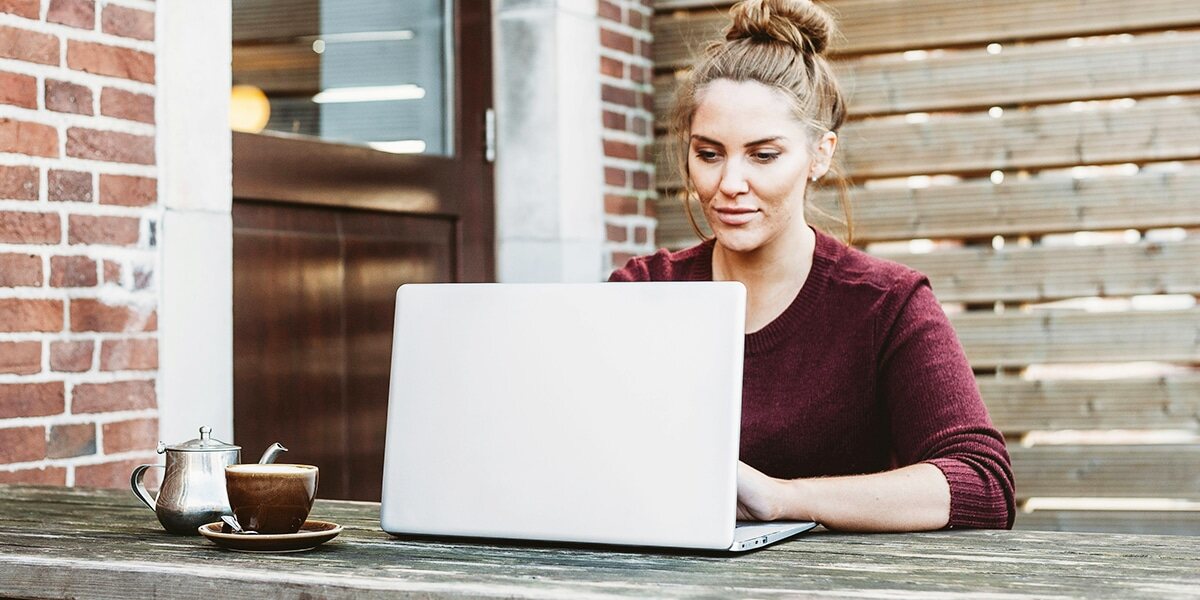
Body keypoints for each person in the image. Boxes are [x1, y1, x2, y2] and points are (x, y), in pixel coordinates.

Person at [609, 0, 1015, 531]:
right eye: (709, 154)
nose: (729, 183)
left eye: (763, 155)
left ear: (819, 155)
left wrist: (780, 499)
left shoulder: (887, 304)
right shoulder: (642, 290)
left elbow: (983, 485)